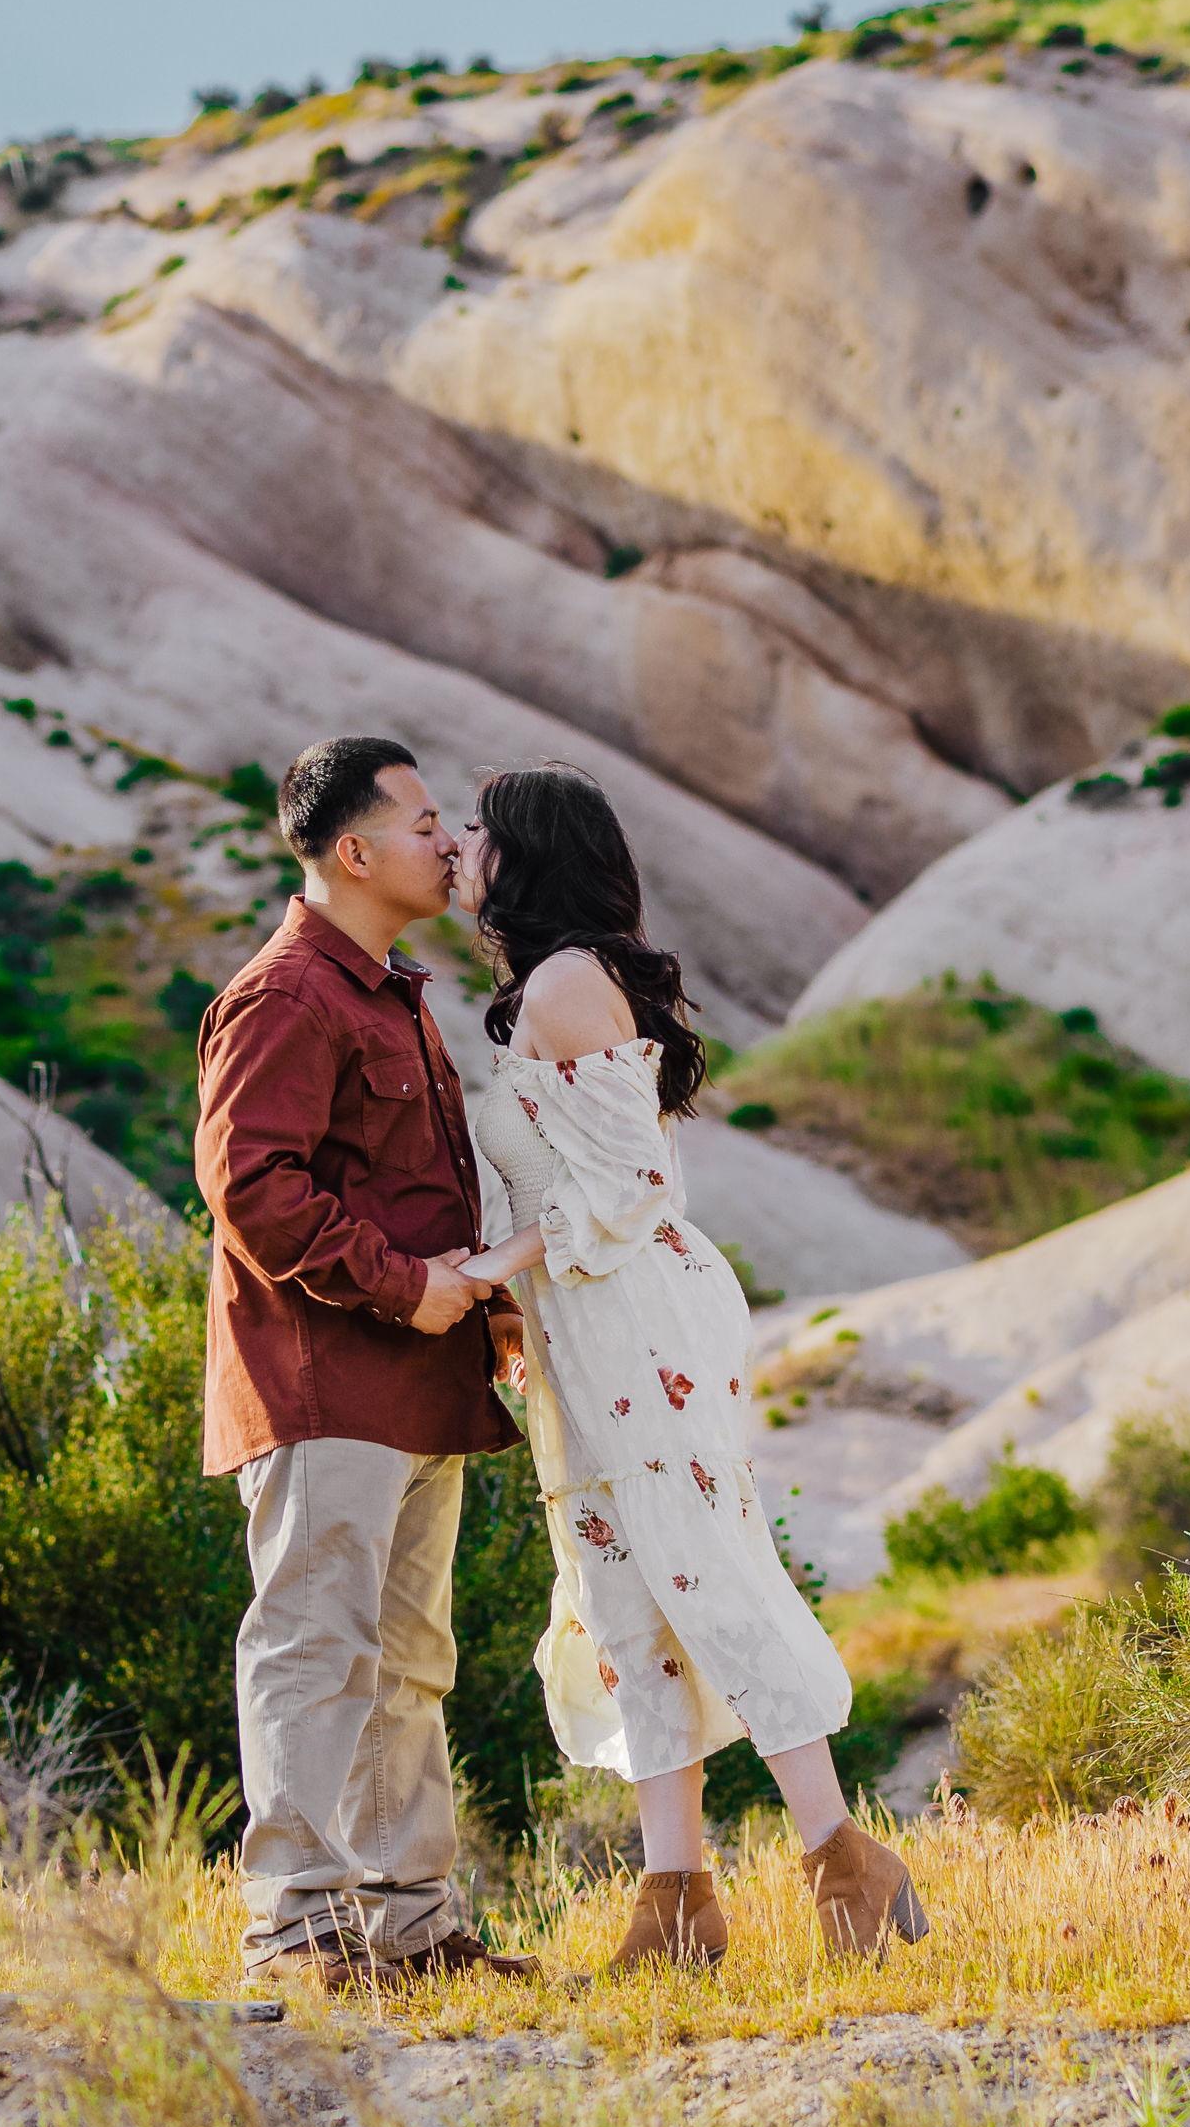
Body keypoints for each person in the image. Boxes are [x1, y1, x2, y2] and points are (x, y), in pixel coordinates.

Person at [448, 762, 930, 1971]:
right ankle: (674, 1900)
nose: (458, 845)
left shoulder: (564, 983)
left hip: (637, 1323)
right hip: (583, 1326)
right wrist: (512, 1293)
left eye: (479, 832)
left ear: (525, 857)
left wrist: (481, 1266)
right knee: (623, 1593)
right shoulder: (543, 986)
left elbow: (633, 1189)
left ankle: (842, 1857)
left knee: (702, 1571)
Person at [193, 734, 536, 1985]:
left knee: (408, 1659)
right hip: (323, 1382)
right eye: (425, 820)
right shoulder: (288, 994)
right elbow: (249, 1185)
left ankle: (410, 1924)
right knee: (312, 1642)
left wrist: (479, 1300)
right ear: (353, 849)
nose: (449, 842)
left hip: (414, 1383)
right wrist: (407, 1288)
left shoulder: (391, 992)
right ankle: (292, 1928)